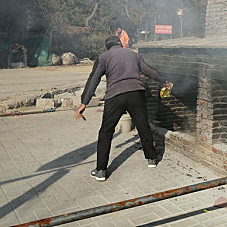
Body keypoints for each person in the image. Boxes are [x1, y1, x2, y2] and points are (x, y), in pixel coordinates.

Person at [74, 35, 172, 181]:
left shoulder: (104, 57)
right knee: (142, 125)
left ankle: (101, 170)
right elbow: (149, 70)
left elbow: (93, 79)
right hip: (136, 94)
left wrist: (84, 103)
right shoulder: (134, 55)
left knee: (106, 131)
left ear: (107, 46)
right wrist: (164, 80)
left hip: (115, 96)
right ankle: (151, 158)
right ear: (120, 44)